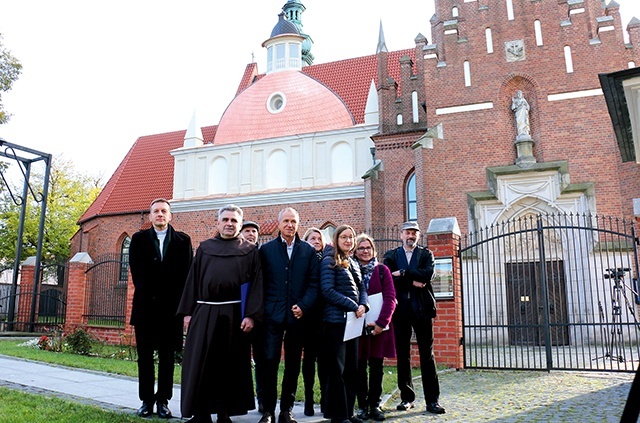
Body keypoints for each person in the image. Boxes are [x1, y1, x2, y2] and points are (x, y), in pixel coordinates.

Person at [177, 204, 263, 423]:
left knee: (229, 367)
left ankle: (225, 413)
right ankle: (201, 413)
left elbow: (256, 285)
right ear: (218, 222)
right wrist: (188, 312)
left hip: (234, 315)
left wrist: (251, 315)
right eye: (225, 220)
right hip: (204, 311)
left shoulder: (250, 251)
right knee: (201, 363)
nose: (229, 224)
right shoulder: (205, 248)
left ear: (240, 224)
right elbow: (192, 280)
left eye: (234, 221)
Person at [128, 198, 193, 419]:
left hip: (171, 311)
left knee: (167, 358)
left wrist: (184, 309)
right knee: (144, 357)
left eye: (164, 211)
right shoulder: (138, 240)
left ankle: (163, 401)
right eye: (156, 211)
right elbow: (137, 273)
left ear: (170, 215)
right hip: (146, 308)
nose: (160, 214)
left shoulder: (183, 241)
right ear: (150, 216)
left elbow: (187, 276)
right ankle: (146, 401)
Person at [258, 208, 320, 423]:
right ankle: (267, 411)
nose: (290, 225)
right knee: (269, 362)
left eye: (293, 221)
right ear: (279, 223)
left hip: (297, 317)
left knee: (293, 365)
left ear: (298, 224)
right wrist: (266, 308)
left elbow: (314, 284)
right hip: (272, 316)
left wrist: (303, 306)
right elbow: (261, 284)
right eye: (286, 221)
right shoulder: (266, 250)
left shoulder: (308, 251)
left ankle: (286, 410)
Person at [382, 221, 445, 415]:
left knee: (427, 354)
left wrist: (403, 273)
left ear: (418, 236)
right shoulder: (391, 255)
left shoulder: (426, 254)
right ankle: (406, 398)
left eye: (414, 233)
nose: (411, 236)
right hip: (400, 311)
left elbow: (428, 274)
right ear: (401, 235)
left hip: (422, 310)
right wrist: (413, 279)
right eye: (408, 232)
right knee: (403, 354)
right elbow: (388, 278)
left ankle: (432, 400)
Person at [321, 225, 368, 423]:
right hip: (335, 321)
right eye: (344, 237)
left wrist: (363, 304)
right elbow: (327, 290)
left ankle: (349, 412)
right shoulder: (329, 261)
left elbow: (362, 287)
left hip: (353, 322)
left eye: (351, 237)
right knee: (337, 370)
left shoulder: (353, 262)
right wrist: (352, 305)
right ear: (336, 240)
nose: (348, 241)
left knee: (351, 369)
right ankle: (337, 415)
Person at [353, 234, 396, 422]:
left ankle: (375, 404)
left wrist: (381, 323)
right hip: (356, 326)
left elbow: (390, 298)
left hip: (378, 327)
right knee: (359, 367)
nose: (365, 251)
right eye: (361, 248)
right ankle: (362, 405)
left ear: (373, 250)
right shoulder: (350, 269)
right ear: (355, 250)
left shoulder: (382, 270)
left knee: (376, 367)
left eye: (368, 247)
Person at [301, 227, 327, 416]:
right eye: (312, 238)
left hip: (325, 317)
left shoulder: (327, 261)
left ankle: (325, 399)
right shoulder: (302, 260)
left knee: (324, 361)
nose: (316, 241)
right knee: (309, 360)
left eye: (319, 238)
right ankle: (309, 400)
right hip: (307, 317)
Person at [241, 220, 266, 413]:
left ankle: (263, 400)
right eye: (247, 231)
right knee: (238, 360)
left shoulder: (263, 254)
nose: (251, 234)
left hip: (260, 317)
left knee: (261, 360)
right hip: (238, 316)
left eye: (254, 231)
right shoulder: (237, 253)